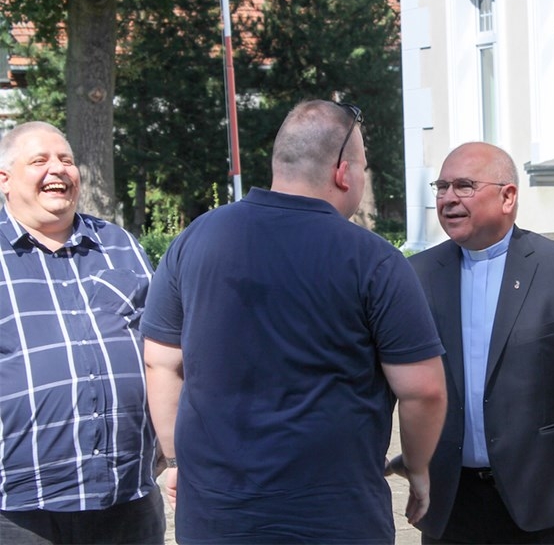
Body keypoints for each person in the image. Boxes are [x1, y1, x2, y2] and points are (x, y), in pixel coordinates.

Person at [141, 100, 447, 544]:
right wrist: (417, 466)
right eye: (363, 167)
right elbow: (424, 389)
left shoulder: (193, 241)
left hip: (217, 515)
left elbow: (161, 362)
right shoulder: (374, 260)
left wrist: (175, 462)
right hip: (334, 519)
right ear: (343, 173)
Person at [389, 141, 554, 544]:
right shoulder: (417, 275)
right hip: (449, 502)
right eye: (441, 187)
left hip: (544, 497)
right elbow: (391, 377)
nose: (448, 198)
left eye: (464, 186)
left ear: (508, 196)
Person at [0, 122, 165, 544]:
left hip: (127, 496)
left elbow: (163, 348)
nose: (57, 169)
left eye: (66, 160)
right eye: (39, 160)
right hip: (18, 510)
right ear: (4, 179)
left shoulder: (120, 245)